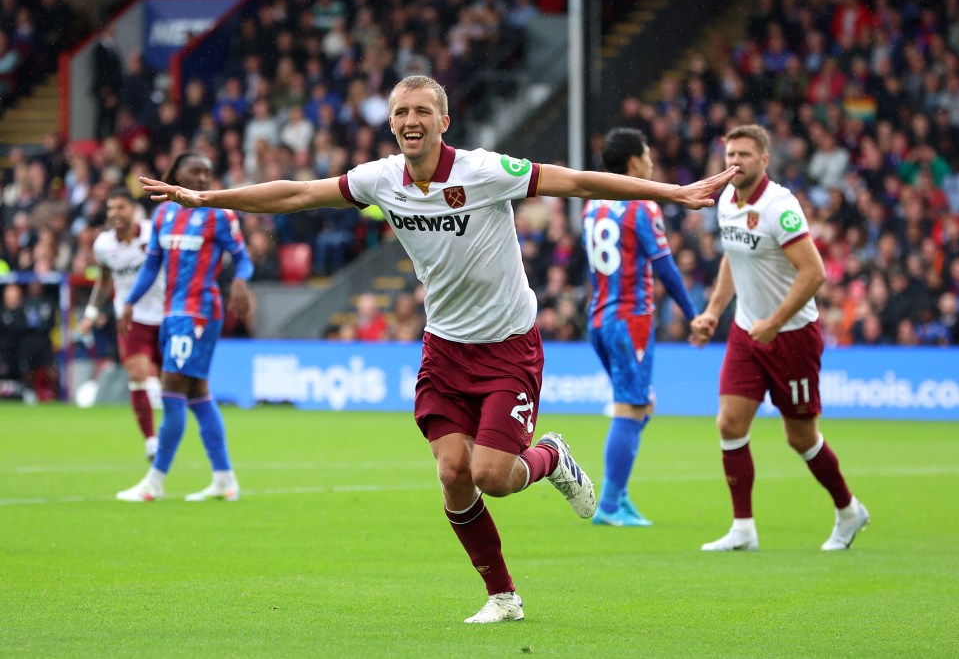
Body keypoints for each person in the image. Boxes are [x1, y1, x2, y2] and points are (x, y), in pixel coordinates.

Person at [139, 76, 737, 622]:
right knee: (453, 473)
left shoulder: (482, 170)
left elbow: (576, 181)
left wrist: (673, 193)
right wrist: (206, 199)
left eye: (422, 110)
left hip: (509, 346)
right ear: (392, 124)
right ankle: (502, 596)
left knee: (494, 477)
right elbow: (298, 194)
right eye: (400, 111)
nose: (410, 119)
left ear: (443, 121)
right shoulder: (380, 179)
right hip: (445, 348)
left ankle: (551, 457)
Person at [690, 125, 869, 552]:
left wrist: (774, 320)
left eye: (745, 154)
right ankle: (743, 529)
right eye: (730, 153)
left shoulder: (780, 207)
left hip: (792, 336)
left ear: (765, 159)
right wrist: (714, 311)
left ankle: (848, 511)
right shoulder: (726, 203)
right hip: (747, 334)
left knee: (800, 438)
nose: (736, 161)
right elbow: (732, 260)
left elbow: (815, 273)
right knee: (730, 423)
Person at [116, 151, 253, 503]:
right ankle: (224, 479)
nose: (204, 179)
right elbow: (151, 267)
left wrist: (239, 280)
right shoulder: (162, 215)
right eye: (196, 172)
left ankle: (155, 482)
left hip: (200, 314)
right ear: (177, 173)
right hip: (172, 314)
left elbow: (243, 259)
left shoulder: (219, 214)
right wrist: (130, 302)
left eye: (208, 173)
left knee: (172, 388)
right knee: (197, 395)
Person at [582, 128, 700, 527]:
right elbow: (664, 265)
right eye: (647, 153)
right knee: (631, 407)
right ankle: (610, 505)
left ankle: (621, 494)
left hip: (599, 319)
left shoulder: (592, 206)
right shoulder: (641, 206)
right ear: (633, 162)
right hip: (630, 319)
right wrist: (692, 312)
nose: (651, 160)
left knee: (641, 403)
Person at [77, 189, 165, 461]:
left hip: (164, 316)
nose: (115, 213)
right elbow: (104, 280)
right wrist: (91, 313)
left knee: (173, 384)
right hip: (130, 319)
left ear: (133, 211)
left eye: (121, 207)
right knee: (137, 376)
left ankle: (169, 433)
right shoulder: (103, 245)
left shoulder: (153, 233)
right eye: (111, 208)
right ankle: (150, 440)